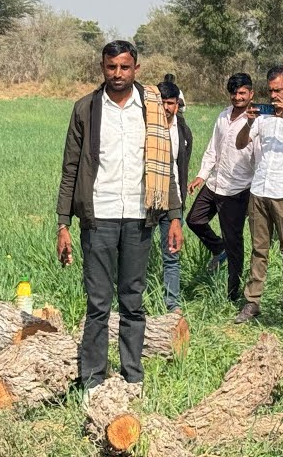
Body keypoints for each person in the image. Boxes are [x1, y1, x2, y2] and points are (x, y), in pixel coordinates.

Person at [56, 40, 184, 400]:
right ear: (102, 67)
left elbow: (165, 165)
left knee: (133, 299)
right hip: (99, 216)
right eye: (111, 67)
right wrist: (63, 223)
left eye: (124, 67)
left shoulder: (153, 108)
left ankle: (132, 377)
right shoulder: (86, 109)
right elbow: (69, 168)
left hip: (140, 217)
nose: (117, 74)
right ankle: (93, 380)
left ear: (136, 69)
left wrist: (174, 216)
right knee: (98, 303)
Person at [232, 67, 283, 323]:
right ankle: (252, 302)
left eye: (278, 90)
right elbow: (240, 143)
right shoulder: (263, 116)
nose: (274, 95)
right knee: (259, 250)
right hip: (260, 190)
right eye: (270, 90)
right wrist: (248, 121)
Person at [186, 74, 256, 303]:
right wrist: (200, 175)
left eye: (242, 93)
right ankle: (218, 249)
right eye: (234, 93)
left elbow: (257, 157)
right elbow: (212, 149)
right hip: (215, 182)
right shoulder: (223, 116)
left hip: (237, 188)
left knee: (234, 240)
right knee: (194, 220)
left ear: (251, 94)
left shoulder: (257, 121)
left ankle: (232, 293)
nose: (238, 97)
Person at [155, 81, 193, 313]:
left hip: (173, 200)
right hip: (146, 200)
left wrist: (178, 207)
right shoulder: (146, 128)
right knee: (135, 253)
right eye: (162, 103)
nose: (166, 108)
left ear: (177, 105)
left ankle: (172, 303)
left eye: (170, 103)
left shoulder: (183, 130)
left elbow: (181, 167)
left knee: (171, 252)